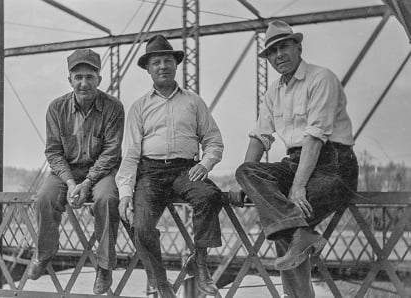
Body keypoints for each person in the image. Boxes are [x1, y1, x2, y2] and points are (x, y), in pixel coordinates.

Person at [233, 20, 359, 298]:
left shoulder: (321, 78)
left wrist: (299, 185)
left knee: (286, 215)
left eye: (284, 46)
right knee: (247, 171)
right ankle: (302, 237)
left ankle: (298, 292)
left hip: (333, 164)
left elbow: (315, 137)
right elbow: (260, 137)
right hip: (296, 161)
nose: (279, 55)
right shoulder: (273, 92)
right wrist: (244, 184)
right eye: (272, 52)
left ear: (298, 47)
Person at [115, 34, 224, 297]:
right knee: (140, 225)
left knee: (209, 195)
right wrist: (125, 194)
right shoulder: (139, 107)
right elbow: (130, 153)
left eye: (167, 61)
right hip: (150, 173)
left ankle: (199, 262)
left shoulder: (193, 101)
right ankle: (160, 282)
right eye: (156, 63)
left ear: (176, 65)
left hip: (185, 170)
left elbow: (214, 140)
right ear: (148, 69)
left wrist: (206, 164)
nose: (162, 66)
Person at [27, 48, 125, 295]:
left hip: (102, 171)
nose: (84, 83)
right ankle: (44, 253)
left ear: (99, 80)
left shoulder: (114, 108)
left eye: (90, 77)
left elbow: (111, 153)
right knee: (44, 199)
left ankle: (104, 266)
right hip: (67, 171)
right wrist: (71, 183)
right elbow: (53, 152)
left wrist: (88, 182)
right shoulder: (56, 108)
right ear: (69, 79)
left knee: (107, 199)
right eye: (78, 76)